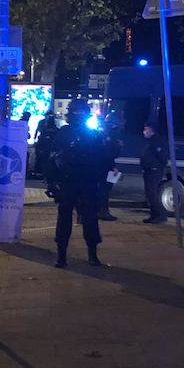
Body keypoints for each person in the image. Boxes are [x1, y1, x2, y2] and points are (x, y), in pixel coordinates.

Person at [46, 100, 113, 268]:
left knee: (88, 218)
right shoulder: (65, 133)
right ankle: (64, 255)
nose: (77, 116)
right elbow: (52, 159)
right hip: (70, 181)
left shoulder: (92, 134)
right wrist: (52, 182)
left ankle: (89, 253)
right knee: (69, 218)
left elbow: (103, 159)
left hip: (85, 181)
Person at [140, 122, 169, 224]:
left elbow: (162, 156)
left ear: (151, 130)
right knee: (150, 194)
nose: (144, 132)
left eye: (146, 129)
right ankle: (154, 215)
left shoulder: (156, 141)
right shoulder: (151, 141)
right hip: (149, 170)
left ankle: (160, 215)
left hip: (154, 171)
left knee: (152, 194)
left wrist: (155, 166)